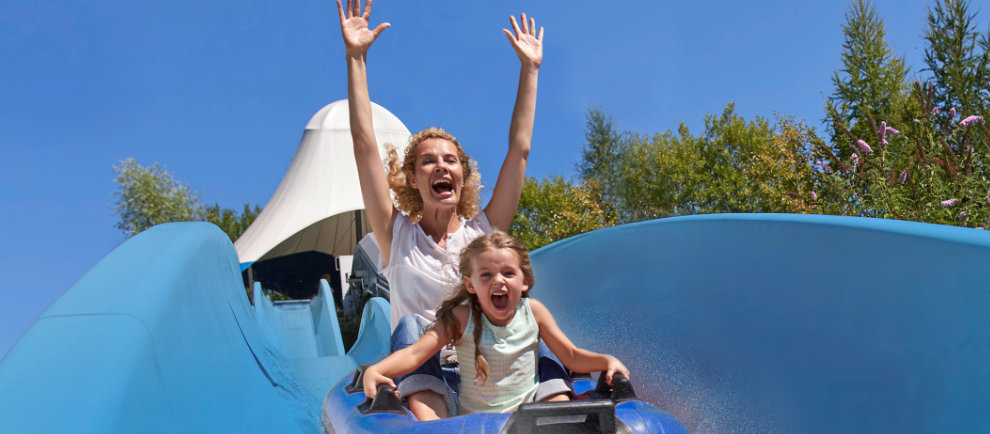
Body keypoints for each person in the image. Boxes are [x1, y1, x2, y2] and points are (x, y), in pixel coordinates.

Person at [337, 0, 569, 420]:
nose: (441, 166)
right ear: (412, 178)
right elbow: (364, 145)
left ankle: (557, 413)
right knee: (409, 328)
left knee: (531, 330)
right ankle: (435, 427)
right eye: (428, 161)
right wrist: (356, 58)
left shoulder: (484, 231)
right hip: (427, 373)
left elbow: (519, 152)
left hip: (487, 368)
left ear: (462, 174)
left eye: (450, 160)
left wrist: (530, 70)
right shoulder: (396, 234)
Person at [362, 231, 630, 420]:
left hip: (526, 420)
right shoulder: (461, 317)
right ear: (471, 285)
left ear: (524, 281)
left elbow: (570, 355)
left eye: (508, 273)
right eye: (486, 275)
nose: (498, 281)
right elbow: (415, 354)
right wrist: (376, 370)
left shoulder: (533, 312)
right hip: (472, 422)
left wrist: (606, 360)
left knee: (550, 364)